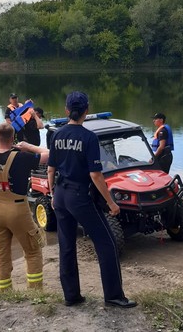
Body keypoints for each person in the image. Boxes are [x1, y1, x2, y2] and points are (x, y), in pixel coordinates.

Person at [47, 91, 137, 308]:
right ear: (86, 111)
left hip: (60, 194)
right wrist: (112, 203)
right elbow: (95, 175)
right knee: (106, 242)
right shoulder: (89, 138)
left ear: (67, 111)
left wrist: (52, 194)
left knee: (67, 245)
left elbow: (50, 169)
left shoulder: (57, 135)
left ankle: (71, 296)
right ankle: (114, 296)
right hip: (79, 196)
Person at [0, 122, 49, 291]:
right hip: (18, 211)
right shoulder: (22, 157)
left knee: (1, 255)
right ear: (12, 139)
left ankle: (4, 292)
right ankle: (35, 291)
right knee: (32, 251)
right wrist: (28, 146)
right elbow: (48, 154)